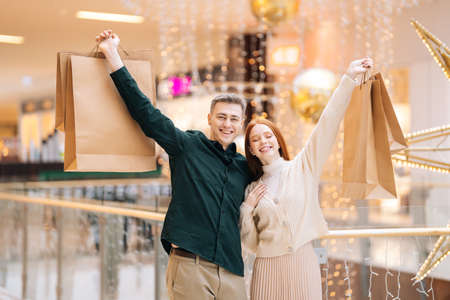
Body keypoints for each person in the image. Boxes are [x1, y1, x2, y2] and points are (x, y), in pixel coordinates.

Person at [96, 30, 251, 300]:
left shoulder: (244, 166)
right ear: (210, 119)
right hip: (190, 266)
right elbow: (145, 112)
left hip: (232, 270)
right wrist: (112, 55)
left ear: (242, 124)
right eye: (222, 117)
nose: (227, 124)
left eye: (234, 119)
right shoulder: (187, 146)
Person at [240, 58, 373, 299]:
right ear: (251, 150)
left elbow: (327, 124)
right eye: (255, 140)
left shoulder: (303, 167)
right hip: (266, 268)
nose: (263, 142)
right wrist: (247, 209)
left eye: (267, 136)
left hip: (302, 262)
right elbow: (248, 243)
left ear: (278, 141)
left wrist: (348, 79)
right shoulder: (251, 188)